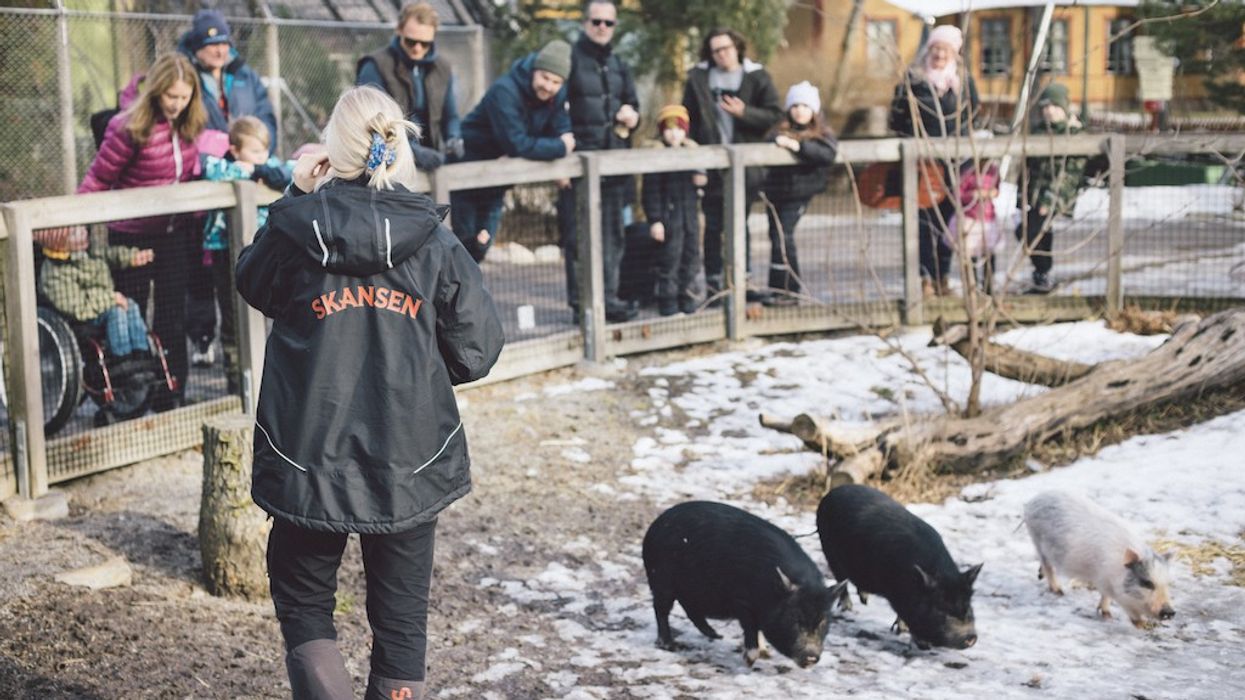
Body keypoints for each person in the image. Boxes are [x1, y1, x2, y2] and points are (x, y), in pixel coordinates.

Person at [235, 85, 504, 700]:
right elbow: (477, 349)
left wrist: (296, 192)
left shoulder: (294, 229)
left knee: (304, 601)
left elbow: (252, 281)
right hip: (409, 454)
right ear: (397, 145)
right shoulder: (433, 238)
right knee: (401, 619)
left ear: (332, 150)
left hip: (310, 451)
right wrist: (415, 374)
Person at [78, 52, 206, 408]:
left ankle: (171, 395)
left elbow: (194, 171)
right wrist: (74, 220)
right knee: (129, 313)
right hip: (131, 235)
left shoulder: (190, 123)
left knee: (171, 315)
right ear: (156, 92)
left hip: (174, 233)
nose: (177, 105)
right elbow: (98, 178)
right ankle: (127, 397)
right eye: (171, 97)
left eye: (184, 98)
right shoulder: (128, 127)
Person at [187, 116, 291, 381]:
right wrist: (252, 171)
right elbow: (209, 167)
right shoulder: (223, 166)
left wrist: (263, 169)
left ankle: (267, 372)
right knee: (233, 313)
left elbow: (288, 170)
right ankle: (237, 377)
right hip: (227, 250)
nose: (262, 157)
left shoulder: (269, 166)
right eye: (255, 151)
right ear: (235, 150)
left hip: (263, 248)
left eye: (264, 150)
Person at [555, 0, 641, 322]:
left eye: (609, 23)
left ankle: (609, 299)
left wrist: (633, 115)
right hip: (579, 167)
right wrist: (561, 162)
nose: (603, 27)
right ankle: (582, 306)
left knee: (614, 236)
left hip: (614, 164)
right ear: (585, 24)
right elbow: (556, 112)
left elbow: (633, 102)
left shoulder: (619, 64)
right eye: (597, 22)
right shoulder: (570, 61)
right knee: (579, 238)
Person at [683, 27, 783, 301]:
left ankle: (744, 280)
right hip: (712, 163)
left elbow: (775, 116)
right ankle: (715, 284)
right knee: (714, 224)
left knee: (740, 221)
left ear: (737, 47)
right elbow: (688, 118)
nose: (721, 55)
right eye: (715, 50)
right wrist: (695, 163)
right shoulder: (698, 78)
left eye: (726, 48)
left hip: (746, 164)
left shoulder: (756, 76)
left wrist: (744, 113)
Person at [452, 40, 574, 262]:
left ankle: (468, 292)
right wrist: (560, 147)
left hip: (498, 181)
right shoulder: (504, 91)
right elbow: (517, 143)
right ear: (534, 71)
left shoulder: (557, 96)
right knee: (462, 248)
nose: (549, 86)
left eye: (556, 82)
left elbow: (560, 128)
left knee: (481, 244)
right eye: (545, 77)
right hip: (468, 174)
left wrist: (554, 154)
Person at [889, 24, 980, 298]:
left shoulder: (963, 81)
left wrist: (959, 143)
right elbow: (896, 116)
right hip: (922, 163)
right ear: (929, 49)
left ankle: (943, 276)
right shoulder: (914, 79)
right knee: (924, 222)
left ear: (954, 52)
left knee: (948, 223)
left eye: (946, 49)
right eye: (936, 48)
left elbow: (973, 114)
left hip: (955, 163)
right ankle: (925, 277)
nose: (940, 54)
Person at [356, 1, 463, 171]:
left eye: (425, 43)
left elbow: (450, 115)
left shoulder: (442, 68)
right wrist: (411, 151)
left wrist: (454, 137)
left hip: (431, 161)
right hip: (388, 166)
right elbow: (371, 123)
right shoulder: (376, 66)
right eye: (411, 41)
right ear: (399, 31)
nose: (417, 48)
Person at [761, 81, 838, 304]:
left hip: (801, 192)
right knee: (776, 237)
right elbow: (767, 141)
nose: (799, 111)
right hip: (776, 191)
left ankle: (789, 289)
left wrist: (798, 147)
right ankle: (777, 288)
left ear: (813, 109)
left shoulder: (821, 133)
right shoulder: (780, 130)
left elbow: (827, 153)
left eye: (805, 106)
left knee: (784, 237)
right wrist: (779, 140)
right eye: (795, 106)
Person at [35, 226, 155, 358]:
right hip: (84, 318)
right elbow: (79, 308)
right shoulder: (53, 274)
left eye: (82, 227)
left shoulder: (86, 253)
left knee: (131, 306)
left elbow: (108, 255)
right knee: (117, 312)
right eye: (75, 233)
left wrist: (132, 257)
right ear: (61, 245)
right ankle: (123, 359)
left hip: (104, 303)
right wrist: (111, 299)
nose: (84, 232)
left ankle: (142, 354)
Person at [1016, 84, 1088, 294]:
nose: (1049, 111)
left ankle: (1043, 272)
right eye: (1045, 107)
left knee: (1033, 230)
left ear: (1064, 108)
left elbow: (1071, 173)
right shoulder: (1038, 133)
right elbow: (1026, 167)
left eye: (1055, 106)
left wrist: (1050, 200)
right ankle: (1041, 274)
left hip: (1056, 194)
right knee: (1031, 232)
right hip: (1036, 194)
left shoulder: (1073, 135)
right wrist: (1021, 195)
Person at [175, 9, 278, 152]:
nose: (220, 51)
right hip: (205, 165)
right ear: (197, 48)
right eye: (213, 44)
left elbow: (266, 115)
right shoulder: (183, 78)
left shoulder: (245, 75)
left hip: (252, 162)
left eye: (224, 44)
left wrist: (261, 148)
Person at [641, 105, 705, 316]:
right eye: (668, 129)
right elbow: (650, 192)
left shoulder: (693, 155)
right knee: (669, 259)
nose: (674, 134)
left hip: (690, 217)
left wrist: (701, 181)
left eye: (679, 129)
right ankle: (667, 302)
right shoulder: (656, 157)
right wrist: (655, 220)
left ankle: (687, 298)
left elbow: (702, 184)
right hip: (669, 218)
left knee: (691, 256)